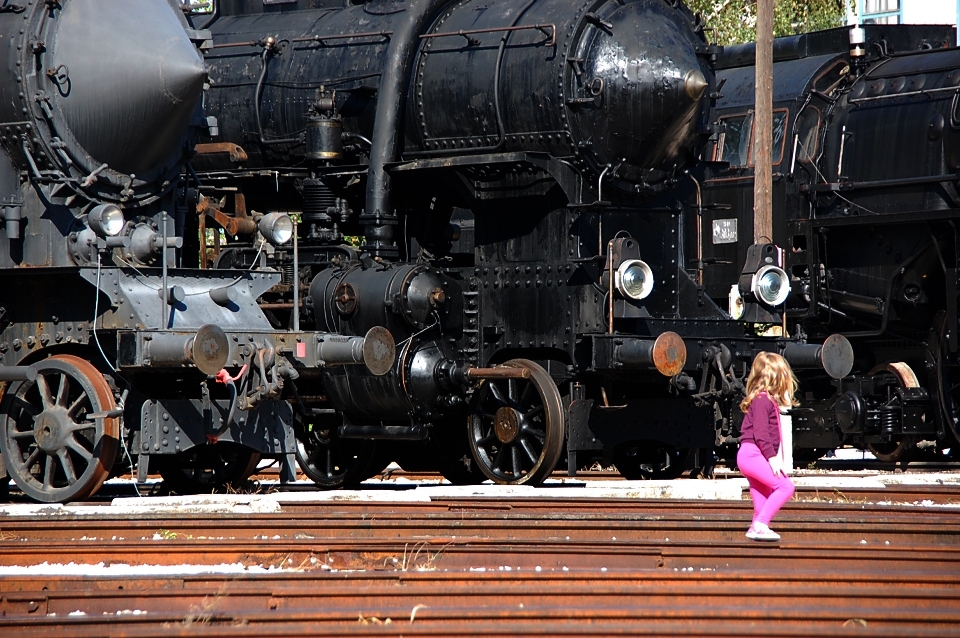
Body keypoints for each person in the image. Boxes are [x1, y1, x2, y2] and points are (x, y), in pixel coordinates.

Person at [737, 352, 797, 541]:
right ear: (777, 378)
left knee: (763, 498)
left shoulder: (765, 400)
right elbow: (761, 433)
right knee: (786, 486)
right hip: (753, 454)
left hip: (751, 455)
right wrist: (772, 458)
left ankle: (756, 527)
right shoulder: (763, 400)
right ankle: (762, 524)